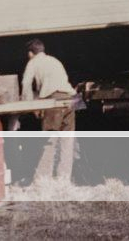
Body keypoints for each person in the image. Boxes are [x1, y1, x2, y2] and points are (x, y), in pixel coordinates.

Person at [21, 39, 75, 182]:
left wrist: (29, 106)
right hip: (70, 98)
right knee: (67, 140)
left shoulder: (33, 62)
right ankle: (64, 180)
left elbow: (26, 84)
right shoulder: (54, 60)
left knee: (49, 140)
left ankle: (42, 180)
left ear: (30, 53)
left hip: (55, 100)